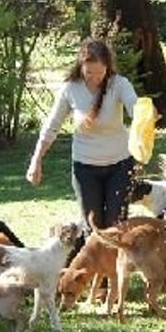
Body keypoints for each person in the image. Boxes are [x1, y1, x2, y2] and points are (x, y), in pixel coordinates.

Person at [26, 38, 138, 230]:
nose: (95, 78)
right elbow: (52, 125)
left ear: (108, 67)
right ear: (80, 66)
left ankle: (115, 260)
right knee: (92, 227)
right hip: (85, 168)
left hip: (120, 166)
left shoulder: (119, 84)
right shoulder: (70, 89)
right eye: (89, 73)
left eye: (100, 73)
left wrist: (145, 117)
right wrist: (36, 160)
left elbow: (136, 108)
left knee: (116, 226)